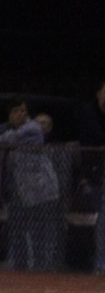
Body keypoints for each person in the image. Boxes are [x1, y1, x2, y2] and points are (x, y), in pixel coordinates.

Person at [0, 97, 60, 270]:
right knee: (17, 231)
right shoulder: (7, 128)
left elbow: (5, 140)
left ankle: (41, 271)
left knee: (38, 234)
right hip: (20, 191)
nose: (21, 114)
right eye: (16, 111)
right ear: (9, 114)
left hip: (41, 191)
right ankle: (20, 271)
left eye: (24, 111)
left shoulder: (33, 128)